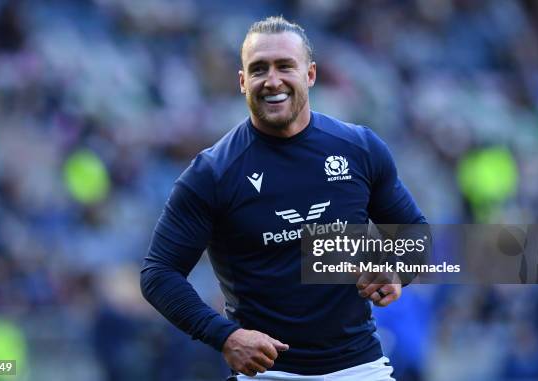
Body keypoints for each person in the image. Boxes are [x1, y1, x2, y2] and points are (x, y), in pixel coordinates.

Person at [140, 16, 427, 380]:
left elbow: (414, 233)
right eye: (259, 69)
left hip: (360, 368)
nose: (272, 80)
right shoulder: (211, 173)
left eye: (284, 66)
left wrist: (398, 270)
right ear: (243, 82)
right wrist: (225, 336)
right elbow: (158, 274)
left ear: (310, 74)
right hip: (269, 374)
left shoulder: (359, 149)